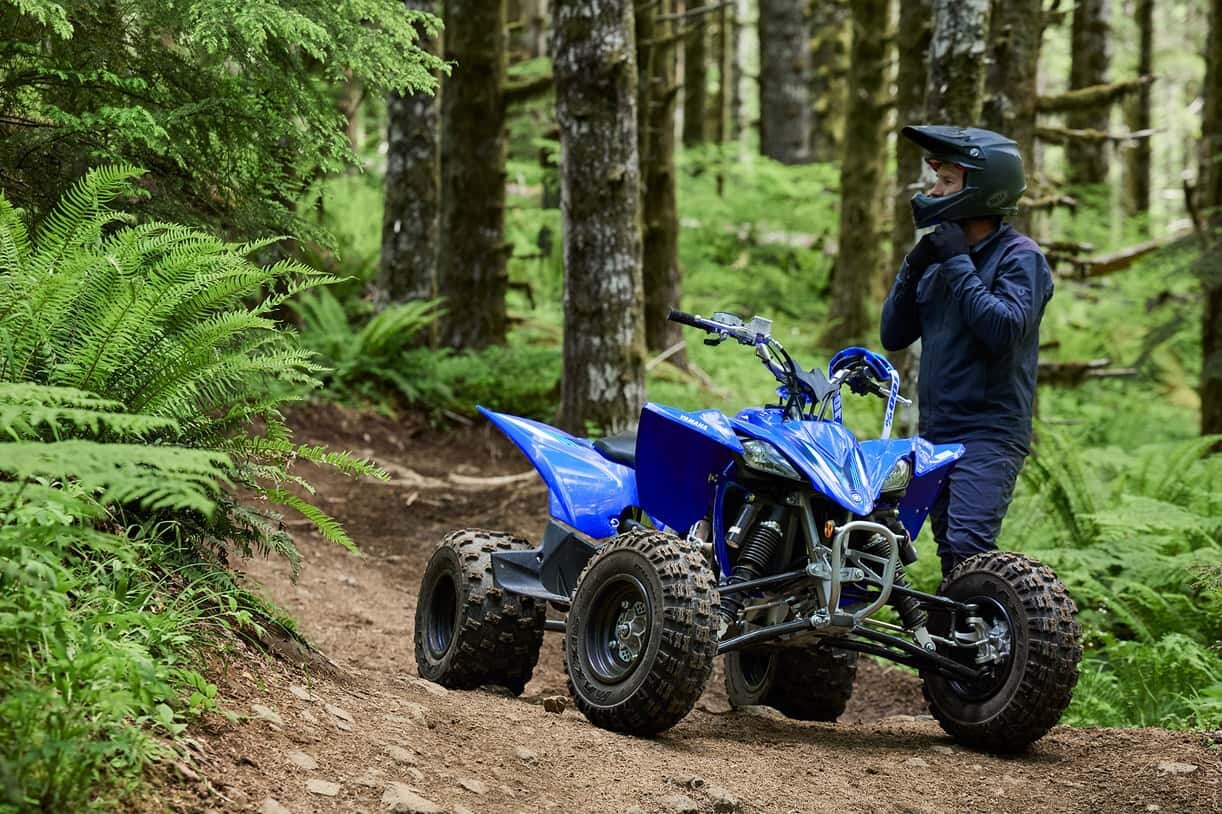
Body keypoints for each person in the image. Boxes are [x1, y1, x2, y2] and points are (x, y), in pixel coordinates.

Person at [880, 125, 1053, 579]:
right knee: (949, 550)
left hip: (990, 431)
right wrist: (914, 266)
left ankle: (1004, 621)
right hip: (937, 429)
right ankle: (953, 625)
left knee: (968, 544)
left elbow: (1002, 329)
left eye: (946, 182)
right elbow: (893, 334)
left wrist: (957, 262)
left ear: (983, 187)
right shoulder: (939, 259)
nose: (934, 192)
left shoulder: (1021, 257)